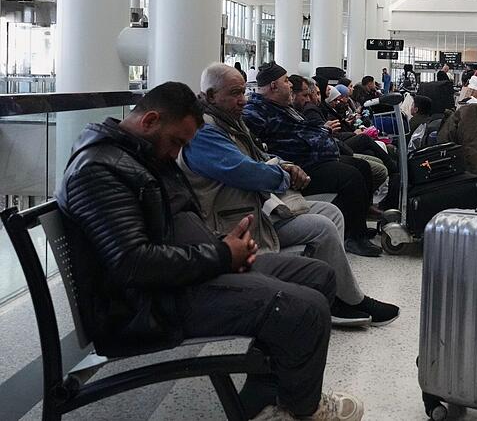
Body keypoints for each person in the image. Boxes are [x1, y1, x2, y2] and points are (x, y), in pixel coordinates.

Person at [55, 81, 364, 421]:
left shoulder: (141, 155)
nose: (177, 153)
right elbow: (132, 263)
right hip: (148, 306)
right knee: (306, 309)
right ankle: (301, 410)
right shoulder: (99, 171)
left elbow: (173, 226)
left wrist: (222, 245)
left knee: (317, 275)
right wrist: (221, 255)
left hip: (185, 279)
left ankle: (270, 391)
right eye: (176, 142)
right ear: (149, 121)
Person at [181, 63, 399, 326]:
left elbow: (260, 155)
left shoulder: (231, 122)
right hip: (234, 222)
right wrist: (284, 175)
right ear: (212, 95)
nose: (243, 99)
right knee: (323, 224)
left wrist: (284, 164)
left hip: (255, 209)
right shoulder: (206, 132)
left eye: (243, 91)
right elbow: (246, 171)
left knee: (331, 211)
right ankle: (348, 300)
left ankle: (336, 292)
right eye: (236, 93)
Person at [243, 62, 383, 257]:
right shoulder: (255, 112)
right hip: (301, 167)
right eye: (286, 81)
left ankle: (356, 225)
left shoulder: (282, 107)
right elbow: (260, 147)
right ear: (274, 86)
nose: (290, 85)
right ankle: (353, 237)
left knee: (362, 167)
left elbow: (303, 128)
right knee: (351, 177)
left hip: (316, 159)